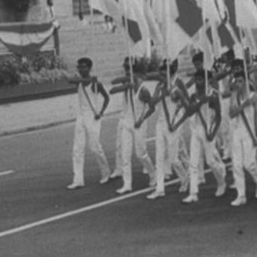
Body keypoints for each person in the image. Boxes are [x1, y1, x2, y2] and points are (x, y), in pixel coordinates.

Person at [109, 61, 157, 194]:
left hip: (138, 124)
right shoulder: (127, 86)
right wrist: (125, 84)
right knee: (125, 154)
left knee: (140, 153)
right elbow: (112, 90)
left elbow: (152, 107)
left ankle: (153, 174)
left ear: (140, 76)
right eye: (129, 75)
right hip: (126, 123)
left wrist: (141, 119)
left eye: (134, 76)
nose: (132, 78)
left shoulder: (144, 90)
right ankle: (127, 184)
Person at [66, 58, 112, 190]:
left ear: (90, 68)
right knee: (77, 149)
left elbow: (107, 97)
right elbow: (70, 80)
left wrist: (101, 112)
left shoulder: (95, 83)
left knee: (94, 147)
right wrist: (83, 79)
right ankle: (78, 179)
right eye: (79, 67)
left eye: (84, 67)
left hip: (92, 117)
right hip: (80, 116)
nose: (81, 69)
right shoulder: (81, 82)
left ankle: (106, 172)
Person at [182, 69, 227, 204]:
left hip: (208, 128)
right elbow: (189, 112)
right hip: (196, 129)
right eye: (196, 80)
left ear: (206, 80)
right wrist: (201, 101)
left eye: (200, 80)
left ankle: (221, 181)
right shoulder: (194, 95)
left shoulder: (213, 95)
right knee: (193, 162)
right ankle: (193, 192)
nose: (197, 82)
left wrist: (212, 134)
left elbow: (218, 117)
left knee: (210, 161)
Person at [147, 60, 190, 200]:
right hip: (160, 124)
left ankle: (185, 178)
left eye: (164, 74)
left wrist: (177, 123)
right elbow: (152, 104)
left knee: (173, 159)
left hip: (173, 124)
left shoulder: (176, 89)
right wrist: (160, 93)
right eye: (160, 74)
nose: (161, 77)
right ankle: (160, 189)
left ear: (170, 75)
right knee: (159, 157)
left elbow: (188, 109)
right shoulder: (159, 86)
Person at [227, 69, 257, 207]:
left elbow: (256, 117)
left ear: (246, 81)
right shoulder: (234, 95)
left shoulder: (254, 95)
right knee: (236, 164)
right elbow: (231, 113)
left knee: (248, 163)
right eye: (236, 81)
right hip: (237, 131)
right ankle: (241, 194)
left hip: (249, 131)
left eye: (240, 81)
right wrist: (243, 104)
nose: (238, 84)